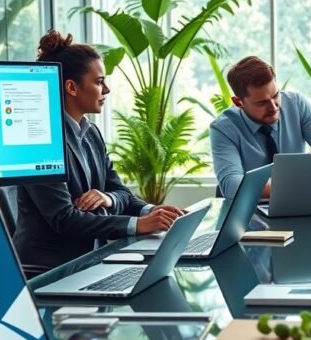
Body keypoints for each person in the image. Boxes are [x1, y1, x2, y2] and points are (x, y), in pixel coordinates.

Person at [13, 30, 184, 268]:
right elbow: (65, 219)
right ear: (72, 87)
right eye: (99, 81)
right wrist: (138, 224)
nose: (106, 90)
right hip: (51, 268)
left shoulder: (91, 132)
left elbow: (121, 192)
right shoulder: (39, 140)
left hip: (92, 259)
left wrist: (149, 210)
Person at [209, 56, 311, 198]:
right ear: (238, 102)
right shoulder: (223, 129)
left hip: (297, 203)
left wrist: (301, 166)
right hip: (250, 212)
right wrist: (292, 183)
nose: (273, 107)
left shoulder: (296, 104)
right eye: (262, 103)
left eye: (275, 95)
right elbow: (231, 186)